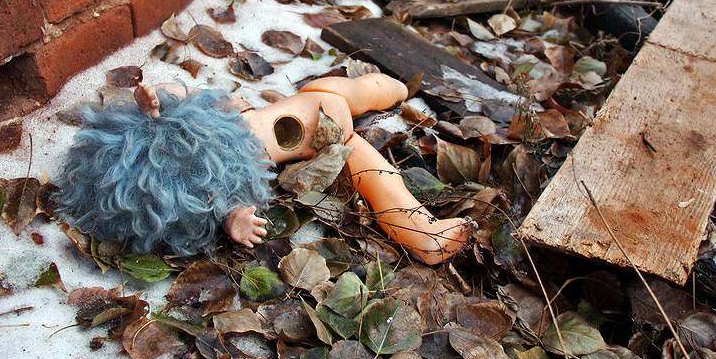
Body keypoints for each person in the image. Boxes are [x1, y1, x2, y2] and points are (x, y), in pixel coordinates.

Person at [60, 73, 470, 264]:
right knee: (379, 178)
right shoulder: (208, 182)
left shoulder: (195, 122)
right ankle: (419, 228)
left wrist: (153, 99)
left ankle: (396, 86)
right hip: (325, 138)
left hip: (313, 97)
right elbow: (219, 200)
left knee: (364, 89)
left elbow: (180, 95)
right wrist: (234, 220)